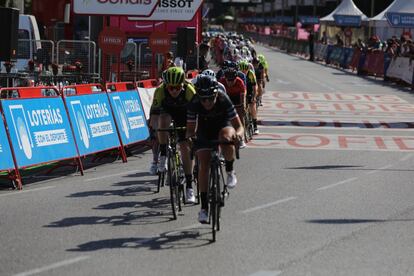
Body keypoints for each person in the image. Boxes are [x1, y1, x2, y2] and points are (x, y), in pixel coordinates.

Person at [186, 75, 244, 223]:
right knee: (203, 165)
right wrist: (190, 139)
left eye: (211, 98)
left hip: (223, 125)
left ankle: (230, 170)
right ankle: (204, 208)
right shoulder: (194, 103)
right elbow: (191, 129)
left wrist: (237, 135)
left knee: (226, 138)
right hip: (204, 130)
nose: (207, 102)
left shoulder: (224, 99)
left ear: (216, 94)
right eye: (203, 99)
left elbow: (239, 126)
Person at [149, 67, 196, 203]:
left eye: (177, 88)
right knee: (161, 122)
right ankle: (163, 154)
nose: (174, 91)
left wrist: (192, 133)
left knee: (184, 147)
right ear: (166, 86)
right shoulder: (160, 91)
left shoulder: (189, 91)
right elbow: (154, 115)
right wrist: (155, 130)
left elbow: (196, 115)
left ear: (183, 84)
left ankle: (189, 186)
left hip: (185, 114)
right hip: (167, 111)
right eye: (171, 88)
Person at [219, 67, 247, 148]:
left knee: (240, 115)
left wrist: (243, 106)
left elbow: (243, 95)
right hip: (226, 96)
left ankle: (241, 138)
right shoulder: (222, 81)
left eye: (232, 80)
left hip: (237, 96)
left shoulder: (239, 82)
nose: (230, 82)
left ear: (235, 78)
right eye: (228, 80)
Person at [238, 60, 259, 134]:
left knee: (252, 106)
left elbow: (254, 87)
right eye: (242, 70)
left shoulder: (251, 74)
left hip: (250, 90)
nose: (244, 72)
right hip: (242, 91)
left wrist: (254, 97)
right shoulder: (238, 75)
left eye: (246, 70)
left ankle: (255, 126)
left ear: (248, 69)